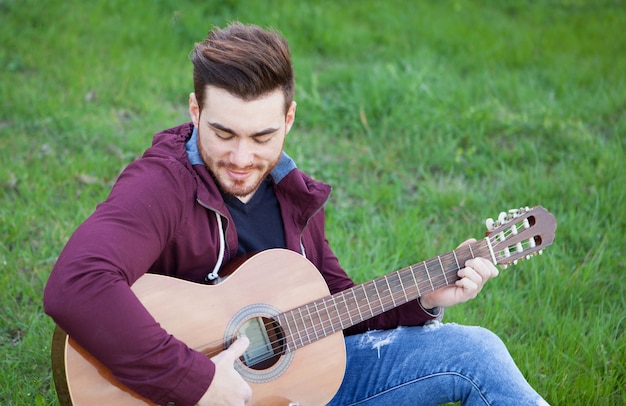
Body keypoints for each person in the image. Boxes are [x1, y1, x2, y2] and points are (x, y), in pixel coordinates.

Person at [44, 22, 548, 406]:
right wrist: (194, 380)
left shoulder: (293, 195)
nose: (242, 159)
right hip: (178, 390)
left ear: (288, 119)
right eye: (223, 133)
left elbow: (335, 310)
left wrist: (425, 295)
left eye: (262, 137)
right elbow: (77, 284)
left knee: (476, 351)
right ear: (195, 112)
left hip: (290, 386)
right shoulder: (161, 185)